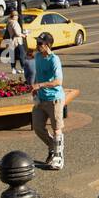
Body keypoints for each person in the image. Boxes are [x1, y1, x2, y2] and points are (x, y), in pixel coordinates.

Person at [31, 32, 66, 170]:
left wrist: (40, 85)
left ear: (48, 45)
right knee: (38, 126)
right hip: (41, 98)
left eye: (40, 43)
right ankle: (53, 146)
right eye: (37, 43)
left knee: (57, 128)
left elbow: (58, 81)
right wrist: (35, 86)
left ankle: (58, 157)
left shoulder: (54, 60)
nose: (37, 45)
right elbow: (38, 75)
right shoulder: (38, 56)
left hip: (54, 99)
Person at [4, 6, 34, 86]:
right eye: (16, 15)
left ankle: (13, 69)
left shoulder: (9, 22)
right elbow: (17, 33)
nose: (17, 17)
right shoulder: (14, 23)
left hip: (11, 40)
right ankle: (23, 68)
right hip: (17, 41)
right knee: (22, 54)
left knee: (12, 55)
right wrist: (24, 35)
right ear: (14, 16)